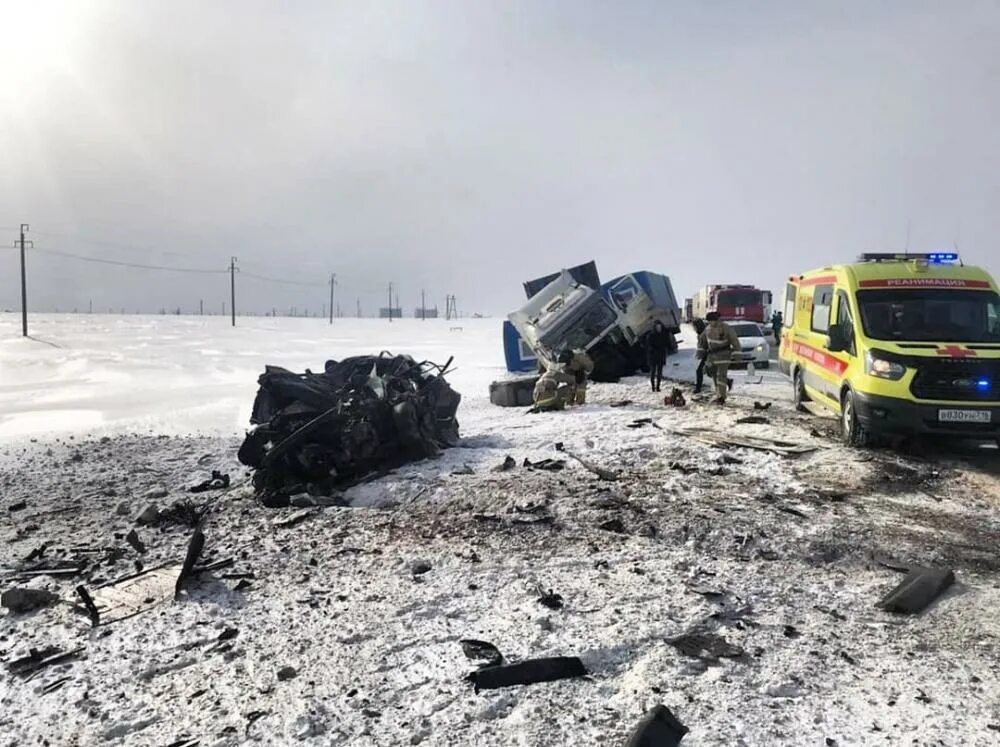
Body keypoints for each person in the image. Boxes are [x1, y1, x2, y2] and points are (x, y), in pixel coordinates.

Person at [697, 312, 740, 404]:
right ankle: (721, 391)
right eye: (709, 321)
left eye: (713, 321)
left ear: (717, 320)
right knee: (712, 374)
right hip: (712, 357)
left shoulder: (726, 328)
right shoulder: (707, 329)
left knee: (721, 376)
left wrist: (737, 354)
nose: (711, 323)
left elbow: (735, 341)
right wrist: (700, 351)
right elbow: (702, 340)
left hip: (724, 355)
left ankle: (721, 397)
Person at [645, 321, 672, 392]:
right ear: (655, 328)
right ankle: (653, 387)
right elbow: (648, 345)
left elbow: (667, 343)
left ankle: (658, 387)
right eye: (657, 327)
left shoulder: (663, 335)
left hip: (661, 355)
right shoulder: (651, 335)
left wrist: (669, 348)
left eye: (660, 327)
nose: (659, 328)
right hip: (653, 356)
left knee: (660, 372)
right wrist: (653, 350)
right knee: (653, 372)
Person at [692, 318, 707, 393]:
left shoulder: (704, 333)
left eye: (694, 326)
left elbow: (706, 345)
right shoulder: (700, 333)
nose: (693, 328)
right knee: (712, 372)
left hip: (709, 355)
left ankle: (698, 388)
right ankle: (728, 381)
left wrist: (701, 352)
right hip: (705, 355)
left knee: (699, 371)